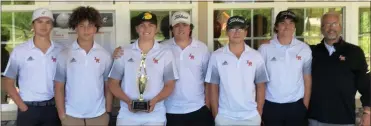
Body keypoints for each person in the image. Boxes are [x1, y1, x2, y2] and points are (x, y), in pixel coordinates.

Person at [108, 12, 178, 126]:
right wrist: (128, 101)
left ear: (156, 29)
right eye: (142, 25)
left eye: (151, 25)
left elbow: (170, 84)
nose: (146, 28)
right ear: (137, 29)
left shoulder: (165, 53)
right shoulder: (123, 51)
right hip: (127, 116)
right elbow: (113, 83)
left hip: (155, 116)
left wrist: (155, 100)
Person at [2, 8, 62, 126]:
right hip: (28, 109)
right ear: (33, 25)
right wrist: (22, 107)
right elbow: (7, 82)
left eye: (47, 22)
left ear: (52, 26)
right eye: (39, 21)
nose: (43, 25)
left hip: (52, 109)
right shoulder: (20, 51)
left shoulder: (61, 50)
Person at [308, 12, 370, 126]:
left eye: (335, 24)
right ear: (322, 28)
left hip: (343, 119)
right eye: (327, 24)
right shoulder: (312, 52)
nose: (331, 28)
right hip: (315, 119)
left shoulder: (354, 52)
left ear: (341, 27)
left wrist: (367, 112)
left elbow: (366, 84)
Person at [54, 6, 112, 126]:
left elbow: (108, 86)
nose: (86, 30)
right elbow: (59, 87)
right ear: (75, 28)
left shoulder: (105, 55)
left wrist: (108, 111)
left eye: (90, 25)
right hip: (71, 116)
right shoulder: (64, 54)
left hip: (99, 115)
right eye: (82, 26)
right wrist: (62, 114)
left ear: (96, 28)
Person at [205, 16, 269, 126]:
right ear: (227, 32)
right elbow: (213, 87)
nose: (236, 32)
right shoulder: (216, 56)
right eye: (232, 29)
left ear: (246, 32)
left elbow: (261, 86)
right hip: (225, 116)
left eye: (240, 29)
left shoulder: (256, 56)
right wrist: (216, 115)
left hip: (251, 116)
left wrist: (258, 112)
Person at [258, 10, 312, 126]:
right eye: (283, 23)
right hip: (271, 105)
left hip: (296, 106)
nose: (287, 26)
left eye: (291, 23)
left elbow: (307, 78)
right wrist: (260, 107)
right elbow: (259, 81)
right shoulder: (265, 48)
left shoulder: (304, 49)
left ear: (294, 27)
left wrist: (305, 105)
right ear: (276, 27)